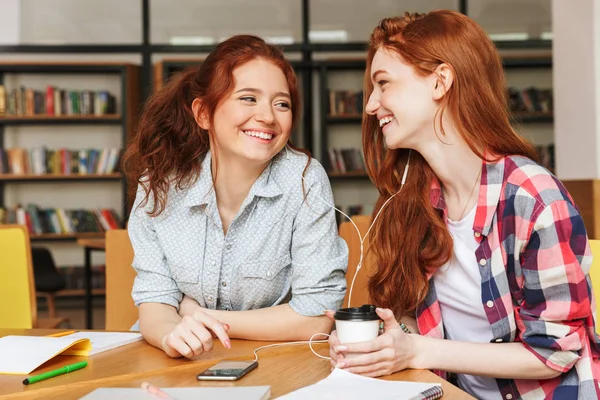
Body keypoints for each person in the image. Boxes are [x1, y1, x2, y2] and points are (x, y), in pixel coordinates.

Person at [327, 10, 600, 400]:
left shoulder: (532, 197)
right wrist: (381, 343)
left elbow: (554, 351)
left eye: (383, 84)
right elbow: (418, 322)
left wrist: (418, 350)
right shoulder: (414, 199)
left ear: (440, 82)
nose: (371, 105)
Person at [123, 34, 348, 360]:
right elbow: (155, 302)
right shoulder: (159, 185)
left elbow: (314, 318)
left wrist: (196, 314)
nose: (268, 117)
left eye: (281, 103)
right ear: (203, 113)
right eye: (248, 98)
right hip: (177, 362)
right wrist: (171, 334)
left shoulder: (304, 180)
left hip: (273, 361)